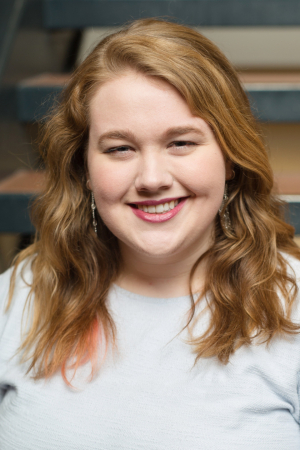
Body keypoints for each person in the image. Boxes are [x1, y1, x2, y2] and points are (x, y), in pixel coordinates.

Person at [1, 18, 300, 450]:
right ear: (85, 169)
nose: (152, 179)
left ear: (230, 158)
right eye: (120, 148)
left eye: (181, 142)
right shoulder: (20, 295)